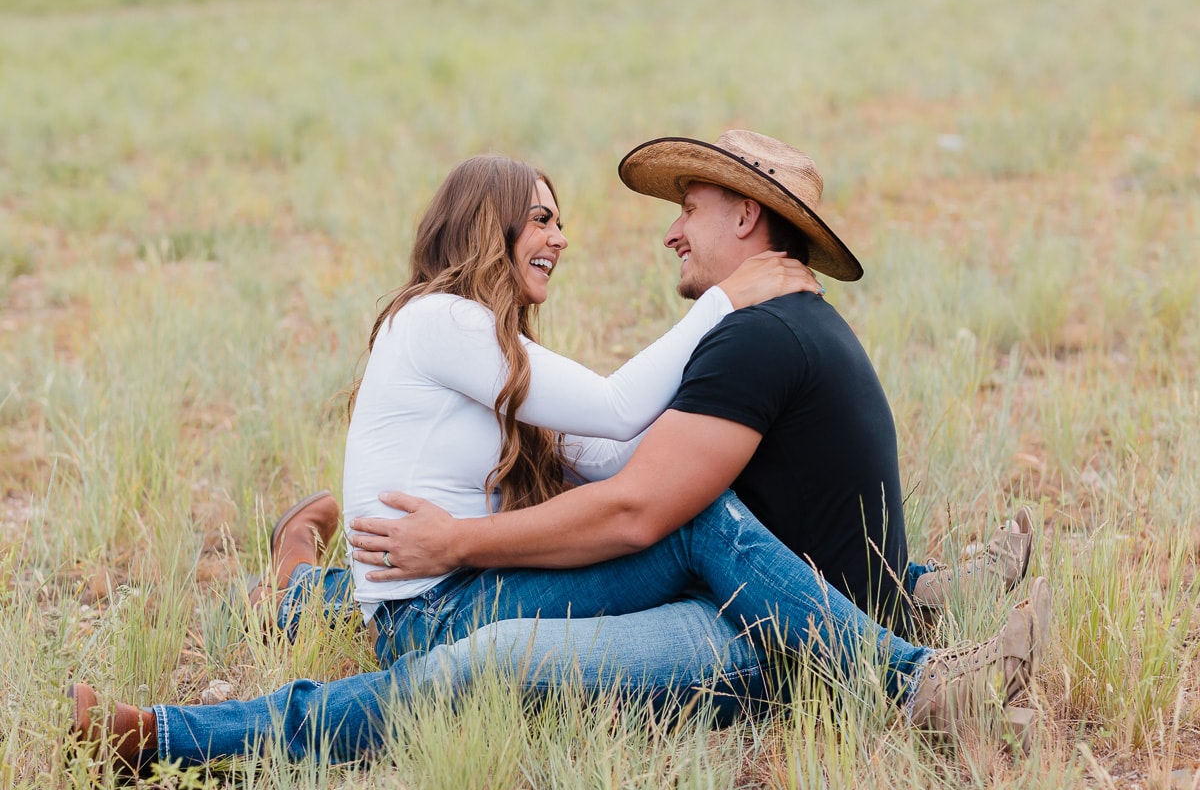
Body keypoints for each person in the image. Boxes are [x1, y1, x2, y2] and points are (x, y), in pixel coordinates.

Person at [69, 139, 1047, 774]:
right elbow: (623, 414)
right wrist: (728, 301)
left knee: (668, 507)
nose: (562, 236)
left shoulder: (504, 356)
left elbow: (614, 445)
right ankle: (915, 672)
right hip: (432, 605)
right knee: (680, 523)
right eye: (541, 217)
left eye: (557, 218)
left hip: (438, 578)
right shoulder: (441, 320)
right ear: (486, 223)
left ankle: (291, 591)